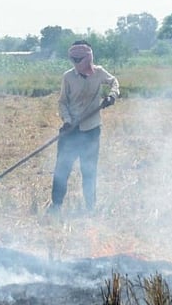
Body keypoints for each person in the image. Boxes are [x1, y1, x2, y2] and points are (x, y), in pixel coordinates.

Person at [49, 40, 119, 215]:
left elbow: (114, 82)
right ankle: (56, 206)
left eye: (79, 60)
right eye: (73, 60)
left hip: (91, 130)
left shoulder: (99, 73)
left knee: (89, 170)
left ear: (88, 59)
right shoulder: (68, 77)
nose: (76, 63)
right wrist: (66, 120)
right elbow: (62, 102)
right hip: (70, 130)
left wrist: (112, 96)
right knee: (62, 170)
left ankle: (90, 208)